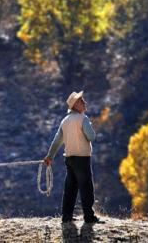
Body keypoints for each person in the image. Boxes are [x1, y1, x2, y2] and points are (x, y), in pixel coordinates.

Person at [44, 91, 103, 224]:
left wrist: (50, 156)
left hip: (69, 159)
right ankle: (89, 217)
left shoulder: (64, 121)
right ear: (76, 105)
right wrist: (90, 127)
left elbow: (57, 140)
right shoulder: (83, 119)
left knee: (70, 188)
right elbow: (91, 137)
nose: (85, 103)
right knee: (86, 187)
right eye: (82, 101)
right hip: (82, 159)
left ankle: (66, 216)